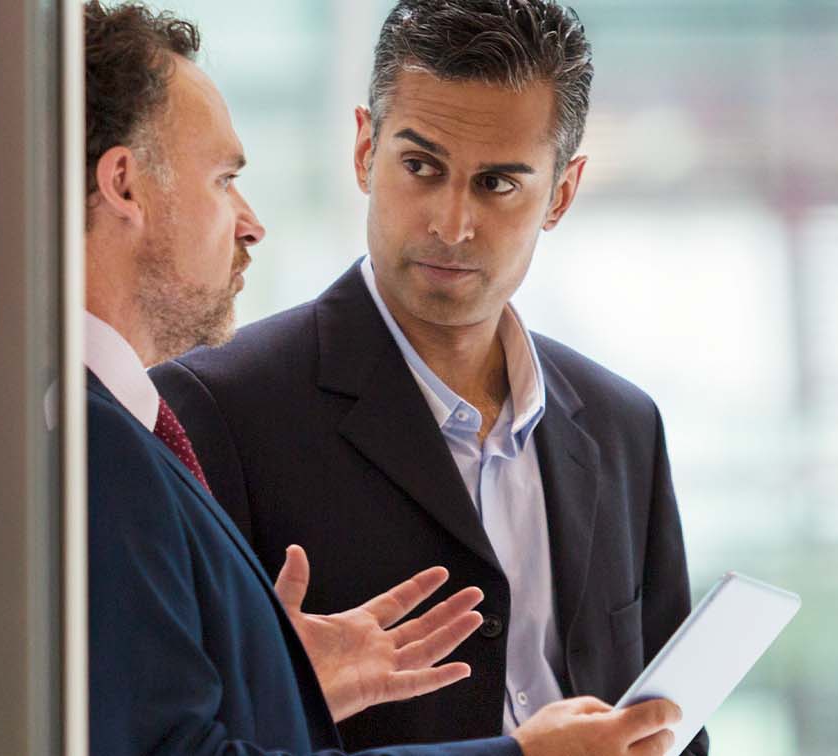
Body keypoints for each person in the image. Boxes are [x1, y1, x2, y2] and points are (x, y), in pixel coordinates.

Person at [82, 3, 681, 754]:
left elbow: (668, 723)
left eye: (497, 184)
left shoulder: (625, 423)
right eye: (420, 166)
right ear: (365, 149)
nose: (450, 223)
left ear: (560, 194)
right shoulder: (208, 409)